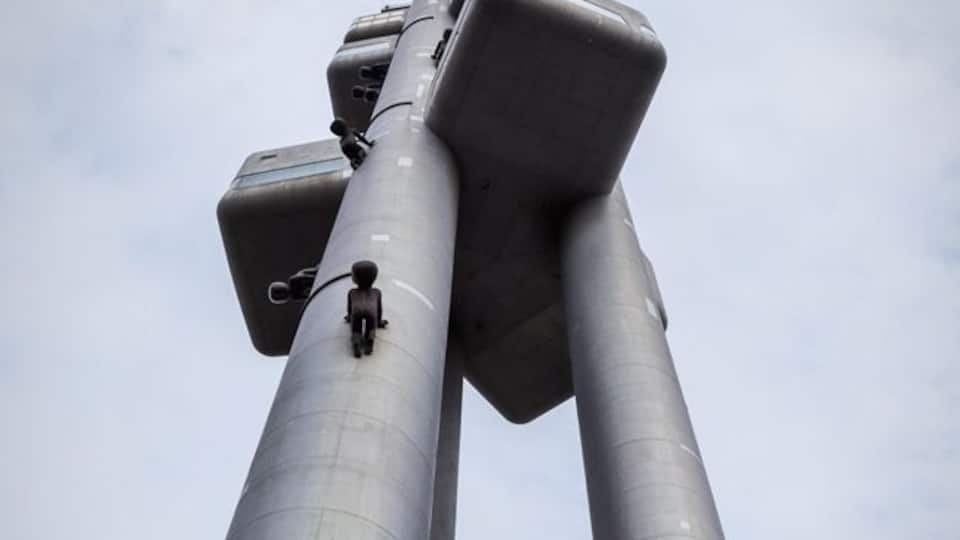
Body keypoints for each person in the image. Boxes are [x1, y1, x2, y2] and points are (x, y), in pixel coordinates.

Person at [344, 260, 388, 357]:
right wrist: (379, 322)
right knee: (371, 327)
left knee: (356, 329)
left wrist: (349, 317)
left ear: (355, 279)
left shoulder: (352, 292)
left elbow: (349, 308)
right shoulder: (377, 292)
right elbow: (379, 310)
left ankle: (356, 342)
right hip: (371, 311)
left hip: (357, 311)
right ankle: (370, 340)